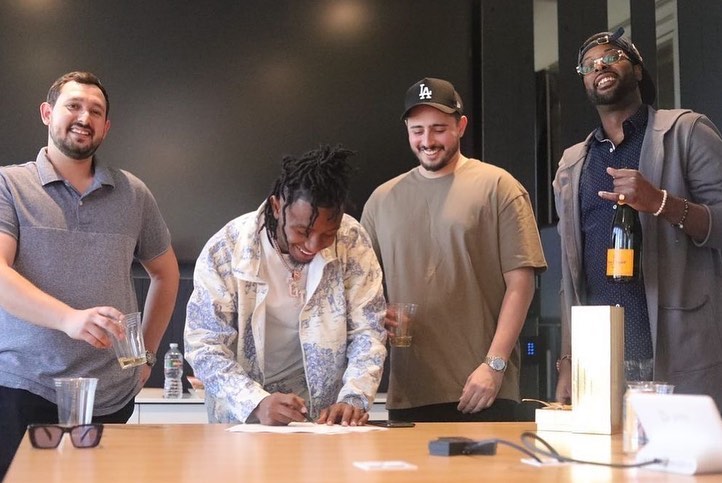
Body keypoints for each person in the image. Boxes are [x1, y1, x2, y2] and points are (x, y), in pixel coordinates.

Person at [0, 71, 180, 477]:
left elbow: (166, 275)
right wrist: (70, 319)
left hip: (110, 397)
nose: (85, 117)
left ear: (106, 126)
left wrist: (146, 358)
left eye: (95, 111)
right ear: (47, 113)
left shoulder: (133, 194)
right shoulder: (9, 185)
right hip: (20, 390)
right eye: (74, 106)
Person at [554, 28, 722, 411]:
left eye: (612, 57)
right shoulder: (573, 164)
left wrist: (660, 202)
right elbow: (569, 275)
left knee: (681, 452)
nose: (600, 66)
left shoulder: (686, 132)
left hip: (678, 352)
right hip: (600, 363)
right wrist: (568, 358)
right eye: (589, 65)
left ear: (638, 70)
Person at [361, 78, 547, 422]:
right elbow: (360, 292)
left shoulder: (499, 187)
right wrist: (379, 314)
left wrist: (494, 365)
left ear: (460, 126)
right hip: (409, 392)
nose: (428, 141)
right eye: (417, 130)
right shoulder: (381, 200)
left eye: (439, 129)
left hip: (483, 389)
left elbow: (521, 285)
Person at [184, 144, 387, 426]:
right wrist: (256, 402)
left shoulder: (351, 240)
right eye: (302, 231)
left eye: (327, 234)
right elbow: (204, 344)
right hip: (242, 418)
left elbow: (369, 330)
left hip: (326, 421)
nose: (313, 245)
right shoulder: (226, 249)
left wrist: (353, 398)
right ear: (277, 206)